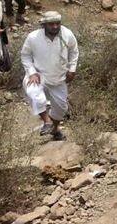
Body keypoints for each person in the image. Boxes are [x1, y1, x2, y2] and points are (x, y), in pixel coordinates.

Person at [21, 11, 79, 141]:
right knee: (34, 92)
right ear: (44, 25)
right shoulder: (33, 37)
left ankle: (55, 129)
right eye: (51, 24)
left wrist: (72, 69)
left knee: (61, 108)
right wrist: (32, 72)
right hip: (39, 75)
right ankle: (47, 121)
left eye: (57, 23)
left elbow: (74, 52)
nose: (55, 26)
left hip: (59, 77)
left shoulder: (67, 34)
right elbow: (25, 56)